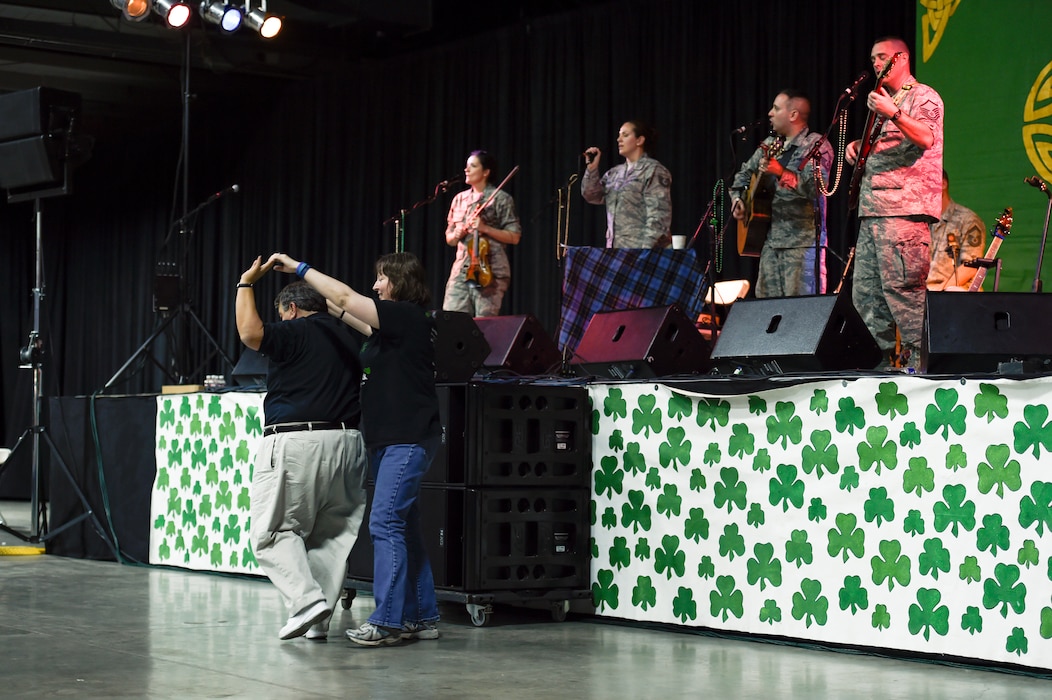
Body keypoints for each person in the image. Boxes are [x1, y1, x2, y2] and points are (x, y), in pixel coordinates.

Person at [268, 251, 442, 648]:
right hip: (391, 442)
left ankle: (387, 622)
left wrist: (299, 268)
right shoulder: (389, 328)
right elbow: (339, 307)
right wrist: (313, 295)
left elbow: (345, 300)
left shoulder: (407, 316)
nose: (376, 285)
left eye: (382, 278)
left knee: (385, 525)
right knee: (405, 528)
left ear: (400, 280)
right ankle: (422, 616)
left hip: (408, 439)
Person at [235, 258, 368, 641]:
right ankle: (318, 621)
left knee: (271, 531)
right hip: (348, 443)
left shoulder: (297, 330)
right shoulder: (349, 334)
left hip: (297, 440)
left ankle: (306, 602)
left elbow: (250, 333)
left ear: (291, 309)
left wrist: (246, 284)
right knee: (331, 536)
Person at [846, 36, 943, 371]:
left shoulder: (922, 96)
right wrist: (859, 146)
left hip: (903, 213)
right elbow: (891, 145)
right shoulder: (885, 102)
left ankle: (926, 374)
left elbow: (927, 137)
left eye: (882, 57)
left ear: (901, 58)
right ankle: (877, 376)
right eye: (872, 58)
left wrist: (895, 112)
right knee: (867, 299)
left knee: (905, 297)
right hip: (873, 212)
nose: (876, 64)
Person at [730, 90, 833, 297]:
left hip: (802, 247)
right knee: (766, 312)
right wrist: (738, 200)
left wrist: (781, 172)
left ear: (793, 115)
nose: (770, 113)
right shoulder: (770, 145)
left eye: (776, 108)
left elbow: (816, 189)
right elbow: (741, 176)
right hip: (770, 244)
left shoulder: (815, 145)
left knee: (800, 314)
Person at [443, 150, 522, 317]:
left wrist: (485, 229)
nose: (467, 170)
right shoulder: (459, 199)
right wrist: (457, 234)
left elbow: (514, 237)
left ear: (486, 172)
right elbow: (449, 239)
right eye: (466, 166)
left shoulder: (501, 199)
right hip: (461, 271)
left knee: (484, 327)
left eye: (473, 166)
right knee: (451, 322)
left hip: (490, 272)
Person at [581, 119, 673, 249]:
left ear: (639, 140)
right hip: (616, 251)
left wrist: (644, 252)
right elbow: (591, 195)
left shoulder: (653, 170)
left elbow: (658, 217)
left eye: (625, 135)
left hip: (641, 252)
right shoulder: (614, 173)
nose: (619, 139)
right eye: (619, 135)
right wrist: (592, 169)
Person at [926, 170, 986, 291]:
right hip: (924, 295)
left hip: (954, 295)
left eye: (927, 184)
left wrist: (939, 295)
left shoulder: (967, 220)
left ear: (943, 184)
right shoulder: (921, 222)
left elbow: (970, 267)